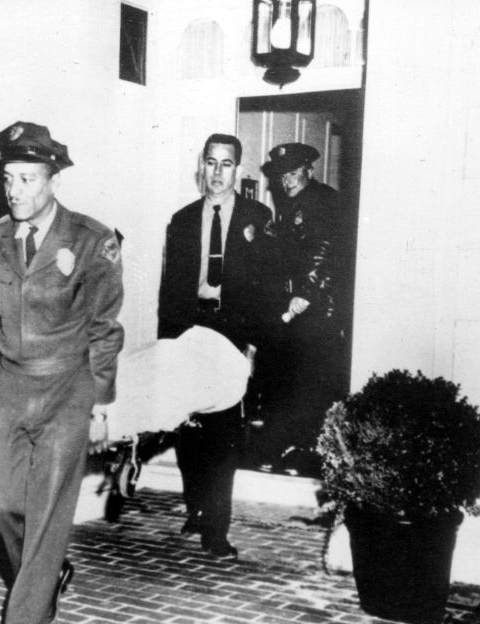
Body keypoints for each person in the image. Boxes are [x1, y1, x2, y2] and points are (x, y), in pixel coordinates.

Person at [0, 121, 124, 623]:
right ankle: (48, 572)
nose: (14, 190)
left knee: (47, 517)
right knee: (6, 507)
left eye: (27, 178)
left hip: (66, 388)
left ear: (54, 180)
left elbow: (105, 328)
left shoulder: (92, 240)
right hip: (8, 386)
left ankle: (28, 614)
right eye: (8, 178)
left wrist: (101, 403)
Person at [158, 133, 286, 559]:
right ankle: (197, 507)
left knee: (224, 431)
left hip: (233, 331)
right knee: (189, 425)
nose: (217, 172)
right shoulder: (181, 220)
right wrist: (167, 347)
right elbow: (169, 290)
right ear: (201, 166)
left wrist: (253, 346)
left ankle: (216, 530)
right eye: (210, 163)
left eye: (226, 164)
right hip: (189, 328)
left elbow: (268, 290)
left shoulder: (258, 217)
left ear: (238, 169)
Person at [260, 142, 346, 472]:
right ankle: (284, 448)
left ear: (309, 171)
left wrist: (306, 291)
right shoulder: (290, 204)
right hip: (298, 308)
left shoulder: (323, 200)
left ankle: (308, 454)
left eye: (294, 173)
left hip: (318, 308)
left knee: (312, 381)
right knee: (291, 379)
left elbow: (325, 248)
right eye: (282, 175)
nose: (287, 180)